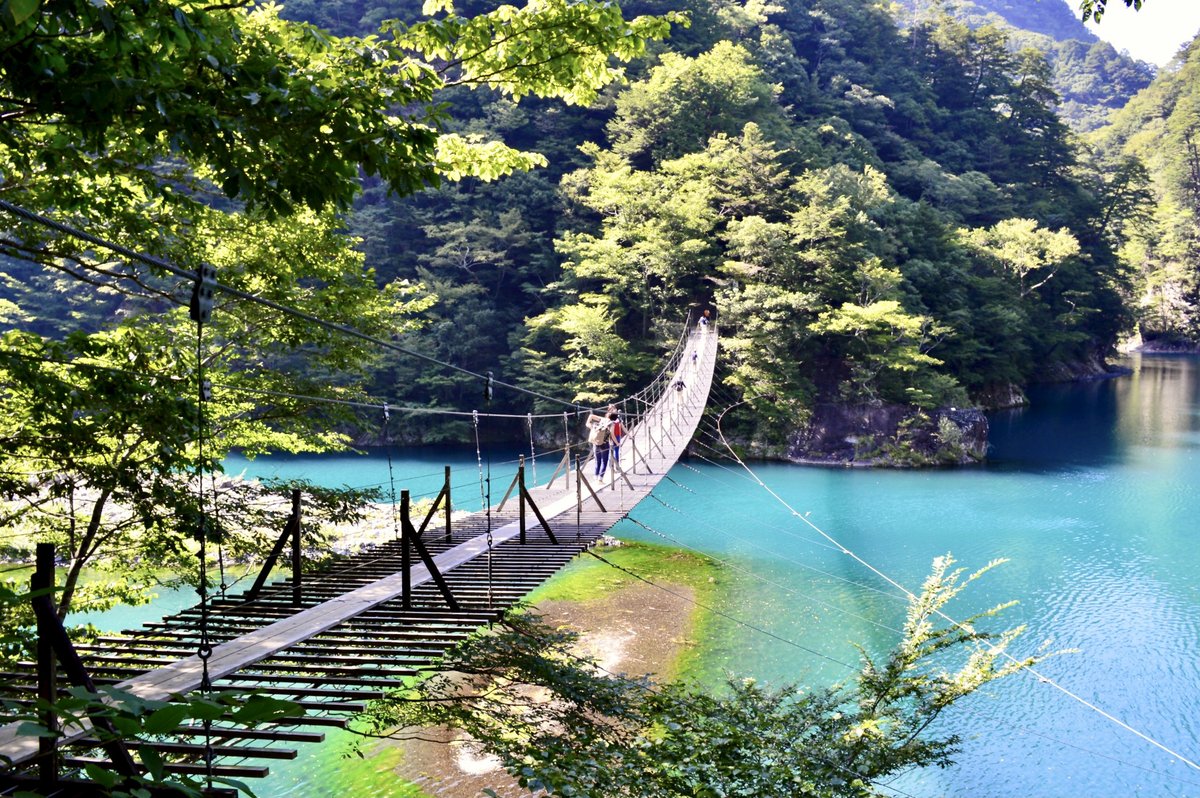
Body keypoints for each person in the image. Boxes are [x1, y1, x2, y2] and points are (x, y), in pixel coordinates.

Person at [585, 410, 613, 478]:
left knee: (597, 461)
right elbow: (612, 434)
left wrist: (589, 425)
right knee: (604, 461)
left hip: (596, 443)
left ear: (606, 415)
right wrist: (616, 443)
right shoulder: (611, 423)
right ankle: (600, 478)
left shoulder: (601, 419)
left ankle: (596, 476)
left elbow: (591, 416)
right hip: (605, 444)